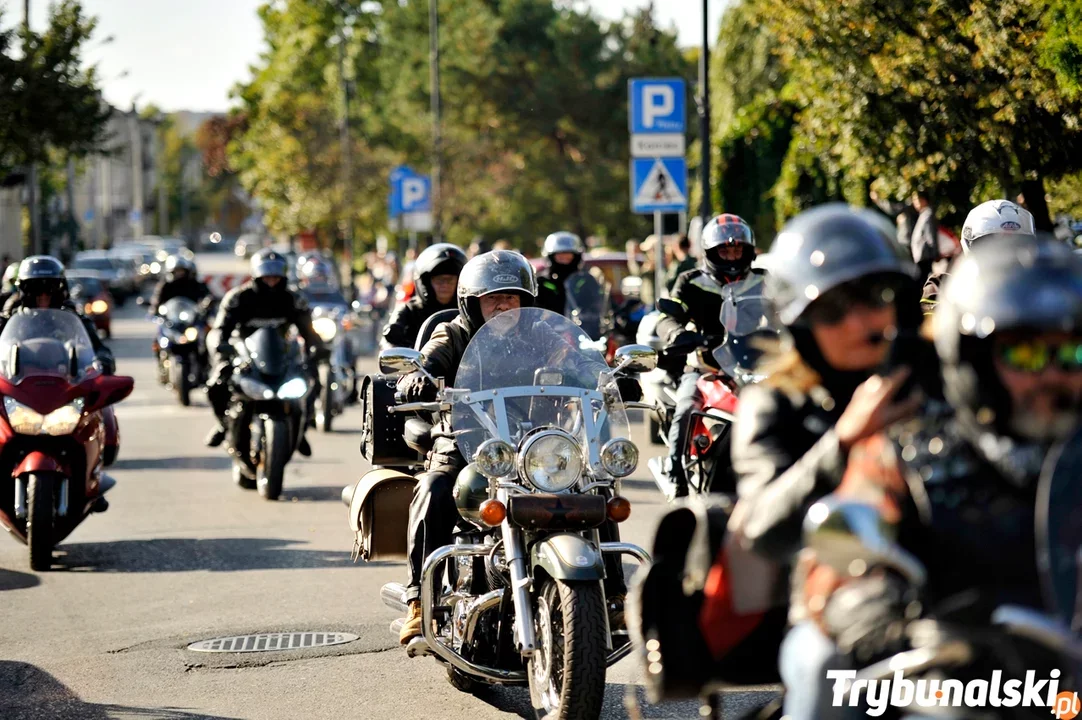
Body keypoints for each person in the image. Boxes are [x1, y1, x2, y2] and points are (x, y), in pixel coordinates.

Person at [797, 233, 1082, 717]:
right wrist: (877, 615)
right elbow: (837, 573)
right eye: (1025, 355)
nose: (1052, 373)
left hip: (1068, 668)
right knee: (819, 662)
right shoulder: (912, 447)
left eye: (1072, 354)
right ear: (972, 358)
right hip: (952, 673)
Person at [728, 204, 924, 719]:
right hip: (839, 606)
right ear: (801, 322)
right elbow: (762, 526)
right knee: (823, 671)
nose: (860, 320)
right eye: (834, 309)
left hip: (963, 591)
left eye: (874, 297)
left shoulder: (945, 380)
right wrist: (844, 440)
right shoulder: (775, 403)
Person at [395, 250, 642, 645]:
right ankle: (420, 601)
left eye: (510, 296)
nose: (502, 304)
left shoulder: (542, 335)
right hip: (469, 441)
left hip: (533, 442)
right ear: (471, 303)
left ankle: (613, 595)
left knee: (594, 483)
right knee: (435, 487)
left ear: (525, 300)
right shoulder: (453, 332)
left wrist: (610, 379)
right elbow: (433, 356)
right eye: (491, 297)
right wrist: (420, 375)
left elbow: (580, 359)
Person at [655, 214, 759, 499]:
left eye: (737, 249)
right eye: (724, 250)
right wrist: (676, 333)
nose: (731, 255)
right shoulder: (691, 280)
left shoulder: (764, 281)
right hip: (705, 366)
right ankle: (674, 470)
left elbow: (787, 311)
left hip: (759, 366)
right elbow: (666, 316)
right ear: (711, 252)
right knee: (687, 406)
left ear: (748, 251)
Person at [204, 250, 327, 456]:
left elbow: (309, 331)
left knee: (313, 382)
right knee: (216, 384)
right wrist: (221, 351)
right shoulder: (237, 298)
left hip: (283, 358)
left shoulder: (294, 300)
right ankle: (223, 425)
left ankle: (301, 430)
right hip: (245, 358)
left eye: (276, 277)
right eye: (267, 277)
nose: (272, 282)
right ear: (257, 277)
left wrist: (318, 350)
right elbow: (220, 330)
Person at [0, 256, 116, 375]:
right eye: (36, 289)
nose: (43, 296)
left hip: (66, 382)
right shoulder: (10, 320)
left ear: (60, 290)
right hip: (18, 383)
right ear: (24, 290)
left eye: (50, 288)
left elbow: (100, 349)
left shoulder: (74, 320)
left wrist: (103, 361)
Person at [921, 199, 1036, 308]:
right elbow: (935, 323)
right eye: (994, 244)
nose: (1005, 251)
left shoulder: (1039, 289)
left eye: (1015, 244)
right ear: (971, 244)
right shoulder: (944, 285)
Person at [380, 243, 466, 351]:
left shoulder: (468, 311)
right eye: (439, 280)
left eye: (450, 280)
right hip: (419, 366)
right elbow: (388, 344)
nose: (445, 285)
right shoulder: (409, 311)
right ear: (426, 283)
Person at [535, 231, 586, 317]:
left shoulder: (584, 281)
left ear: (576, 256)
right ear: (551, 256)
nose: (564, 257)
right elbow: (533, 311)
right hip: (549, 328)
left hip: (582, 328)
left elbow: (600, 304)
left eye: (568, 254)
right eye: (560, 254)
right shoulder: (541, 282)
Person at [909, 191, 938, 283]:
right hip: (921, 255)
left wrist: (934, 253)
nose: (915, 203)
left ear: (924, 200)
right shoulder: (923, 214)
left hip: (925, 254)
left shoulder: (927, 214)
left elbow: (930, 235)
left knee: (925, 280)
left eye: (917, 200)